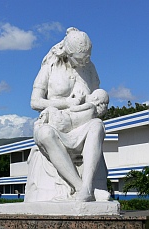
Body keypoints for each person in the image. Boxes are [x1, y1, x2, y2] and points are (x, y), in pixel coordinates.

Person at [30, 27, 109, 201]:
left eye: (87, 59)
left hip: (82, 123)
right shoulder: (50, 67)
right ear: (68, 52)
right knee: (45, 133)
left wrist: (97, 107)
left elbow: (97, 98)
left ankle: (88, 186)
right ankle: (81, 188)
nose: (83, 63)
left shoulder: (90, 69)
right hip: (56, 123)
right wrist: (66, 103)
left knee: (97, 126)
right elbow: (35, 102)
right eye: (79, 60)